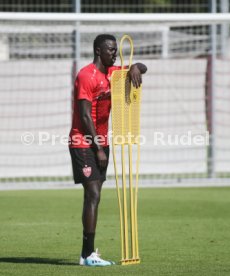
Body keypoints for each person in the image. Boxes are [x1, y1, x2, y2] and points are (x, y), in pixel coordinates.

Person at [69, 34, 147, 267]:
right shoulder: (86, 75)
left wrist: (134, 67)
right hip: (83, 141)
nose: (115, 53)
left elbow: (143, 67)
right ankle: (88, 255)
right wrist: (98, 148)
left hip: (101, 143)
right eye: (111, 50)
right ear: (98, 50)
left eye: (115, 50)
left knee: (94, 195)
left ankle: (87, 253)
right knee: (93, 193)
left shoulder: (113, 73)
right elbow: (83, 116)